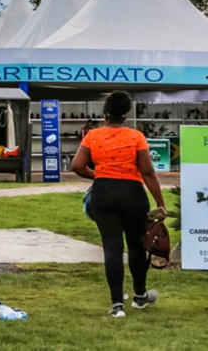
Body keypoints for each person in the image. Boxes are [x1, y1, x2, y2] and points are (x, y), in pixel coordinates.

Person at [70, 90, 168, 318]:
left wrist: (99, 175)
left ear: (105, 114)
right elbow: (147, 171)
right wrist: (160, 203)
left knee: (111, 247)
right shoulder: (136, 137)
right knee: (136, 245)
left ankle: (117, 305)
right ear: (126, 114)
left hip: (103, 194)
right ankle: (140, 296)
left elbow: (77, 165)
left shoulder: (93, 136)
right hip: (132, 194)